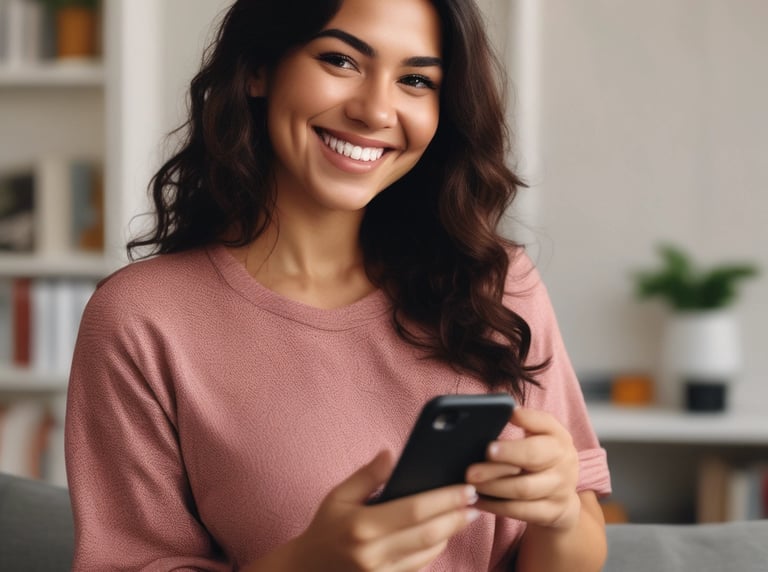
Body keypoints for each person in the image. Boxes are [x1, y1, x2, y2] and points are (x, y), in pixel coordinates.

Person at [65, 0, 611, 570]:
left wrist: (560, 514)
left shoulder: (495, 284)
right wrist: (308, 563)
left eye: (416, 80)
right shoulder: (143, 318)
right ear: (258, 69)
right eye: (341, 61)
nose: (375, 111)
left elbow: (576, 546)